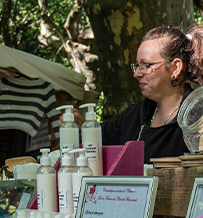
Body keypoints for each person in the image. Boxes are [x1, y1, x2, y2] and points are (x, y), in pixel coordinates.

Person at [75, 26, 203, 164]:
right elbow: (94, 138)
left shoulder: (197, 117)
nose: (136, 74)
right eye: (137, 66)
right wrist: (80, 126)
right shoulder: (133, 116)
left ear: (175, 67)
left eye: (146, 65)